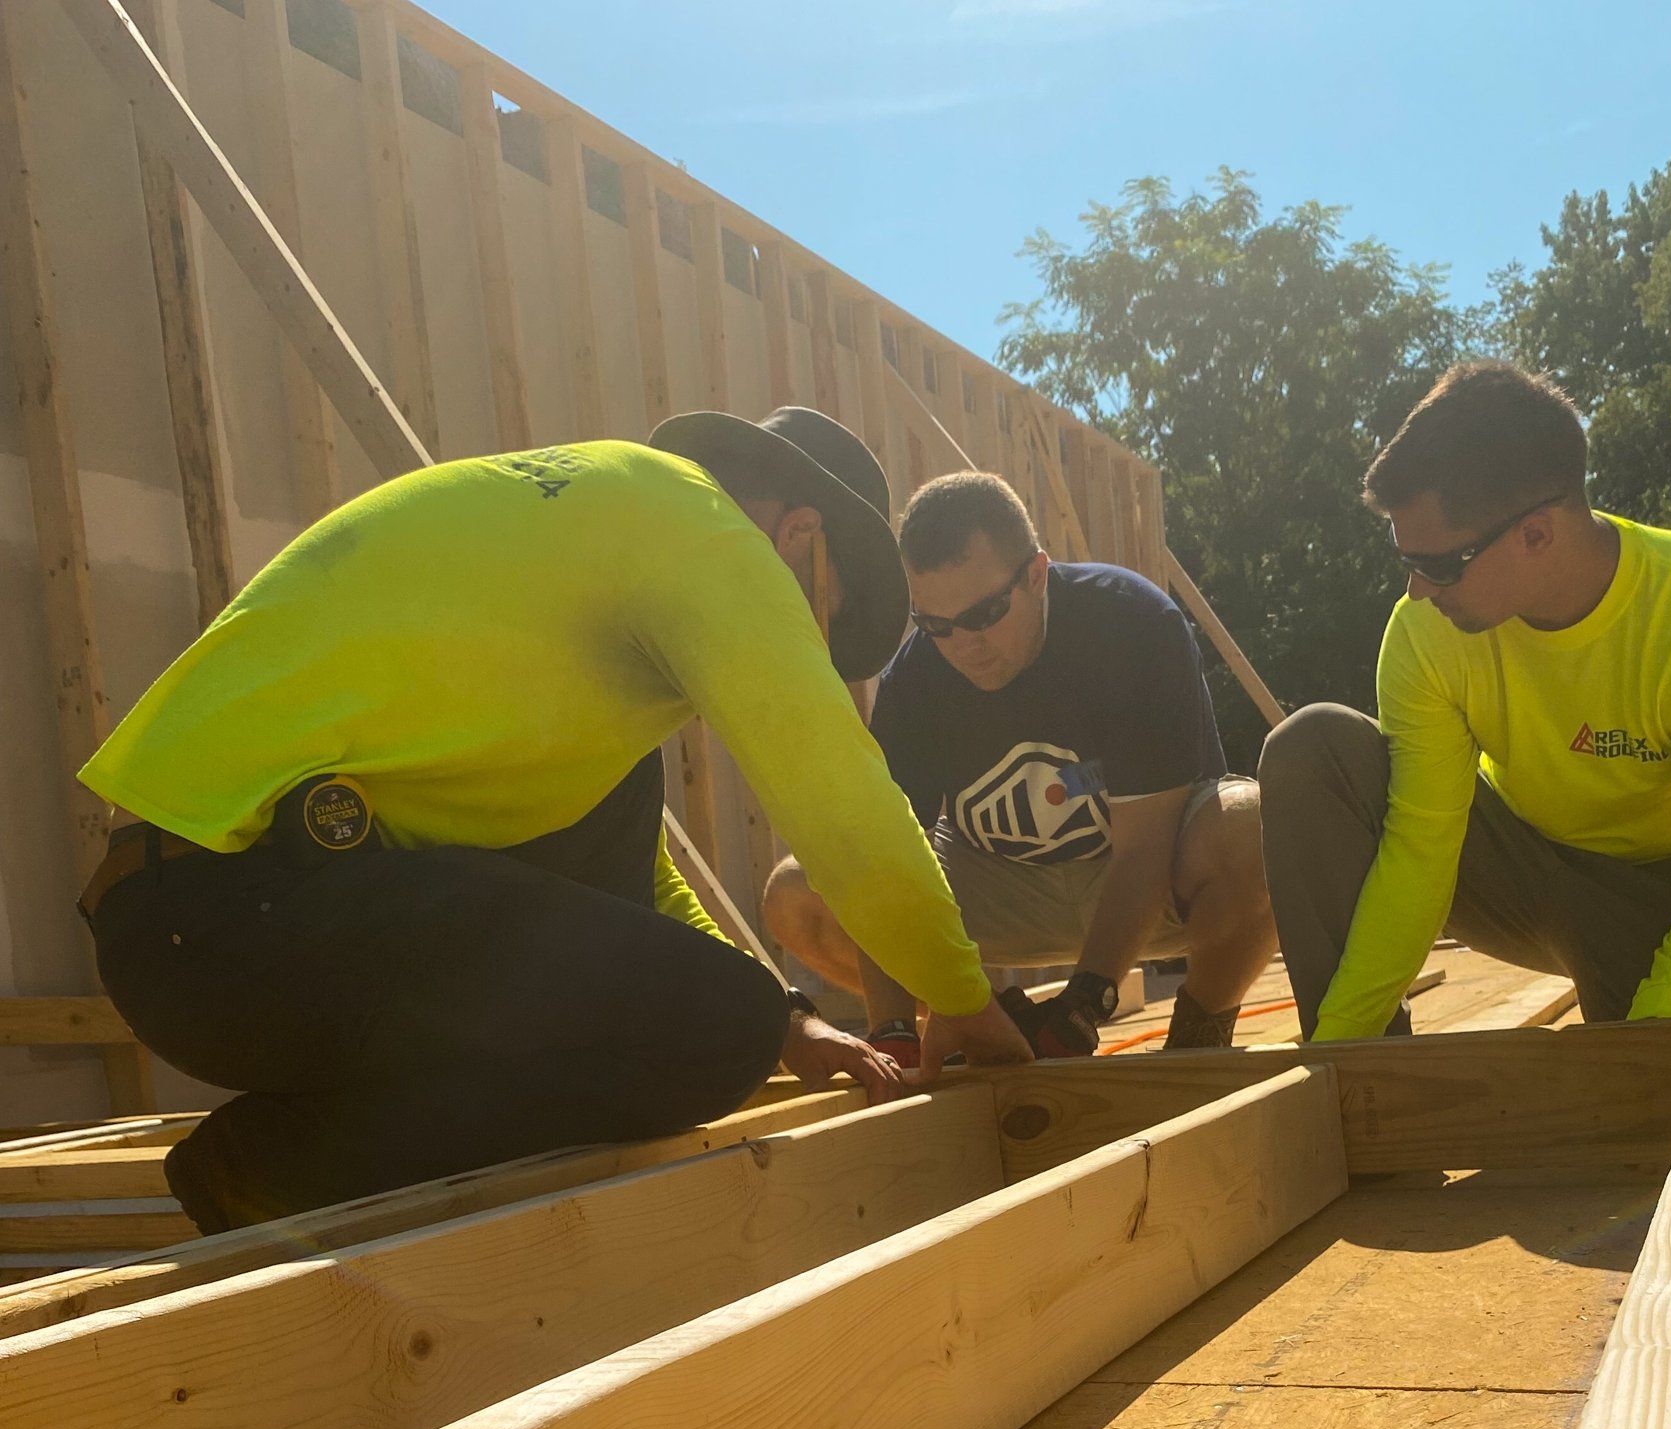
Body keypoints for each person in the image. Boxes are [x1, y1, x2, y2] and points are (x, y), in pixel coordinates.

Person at [76, 409, 1030, 1231]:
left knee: (727, 999)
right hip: (227, 915)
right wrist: (964, 1004)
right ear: (798, 536)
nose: (804, 646)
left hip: (200, 929)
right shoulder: (700, 528)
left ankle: (295, 1152)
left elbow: (633, 882)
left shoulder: (597, 540)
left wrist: (787, 1021)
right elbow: (845, 811)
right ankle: (270, 1171)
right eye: (817, 616)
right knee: (713, 1031)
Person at [1258, 360, 1671, 1040]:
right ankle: (1360, 1072)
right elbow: (1421, 848)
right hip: (1517, 868)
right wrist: (1339, 1049)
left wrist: (1653, 1029)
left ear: (1536, 534)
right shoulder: (1426, 632)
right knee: (1313, 750)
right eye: (1407, 561)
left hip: (1662, 900)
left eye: (1439, 565)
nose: (1419, 589)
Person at [764, 472, 1272, 1061]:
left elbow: (1143, 851)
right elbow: (884, 871)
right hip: (1001, 890)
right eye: (936, 625)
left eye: (984, 614)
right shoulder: (916, 679)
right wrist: (893, 1033)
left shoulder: (1131, 623)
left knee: (1257, 826)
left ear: (1036, 575)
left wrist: (1086, 1001)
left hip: (1144, 878)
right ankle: (990, 1017)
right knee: (798, 895)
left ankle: (1199, 1034)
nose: (964, 645)